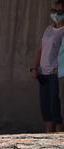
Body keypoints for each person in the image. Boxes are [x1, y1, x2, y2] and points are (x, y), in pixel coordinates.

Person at [32, 0, 64, 133]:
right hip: (43, 75)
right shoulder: (48, 29)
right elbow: (40, 49)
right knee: (46, 111)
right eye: (53, 11)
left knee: (56, 111)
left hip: (54, 75)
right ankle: (48, 139)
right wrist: (34, 68)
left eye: (59, 12)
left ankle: (58, 142)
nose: (55, 14)